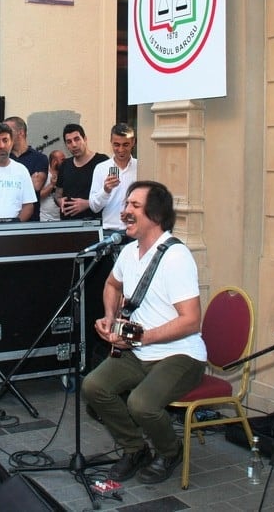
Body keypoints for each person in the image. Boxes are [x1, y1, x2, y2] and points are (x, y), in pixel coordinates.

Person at [82, 180, 207, 484]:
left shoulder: (176, 258)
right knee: (93, 387)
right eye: (126, 205)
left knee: (141, 403)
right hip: (138, 351)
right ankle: (135, 450)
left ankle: (169, 451)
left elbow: (191, 320)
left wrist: (143, 337)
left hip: (180, 354)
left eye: (134, 206)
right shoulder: (128, 252)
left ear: (156, 215)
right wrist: (110, 317)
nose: (125, 211)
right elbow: (112, 284)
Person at [89, 123, 138, 237]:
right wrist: (105, 190)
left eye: (125, 144)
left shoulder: (141, 167)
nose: (121, 149)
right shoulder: (101, 168)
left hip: (135, 231)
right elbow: (94, 207)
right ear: (111, 142)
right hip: (109, 231)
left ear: (133, 142)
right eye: (116, 144)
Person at [55, 123, 109, 220]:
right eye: (69, 142)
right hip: (68, 225)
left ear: (85, 139)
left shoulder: (102, 161)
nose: (74, 145)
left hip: (93, 224)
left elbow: (110, 193)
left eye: (77, 139)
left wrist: (88, 204)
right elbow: (57, 195)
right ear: (66, 145)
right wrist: (60, 201)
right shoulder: (65, 165)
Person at [5, 116, 49, 222]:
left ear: (21, 133)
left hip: (31, 221)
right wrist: (27, 180)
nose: (4, 135)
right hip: (5, 219)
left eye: (8, 131)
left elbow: (36, 185)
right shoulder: (3, 158)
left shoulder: (39, 158)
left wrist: (9, 183)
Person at [39, 149, 66, 222]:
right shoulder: (44, 175)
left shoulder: (65, 174)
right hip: (46, 219)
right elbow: (39, 195)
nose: (65, 162)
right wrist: (52, 185)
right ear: (54, 162)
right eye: (63, 160)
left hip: (62, 219)